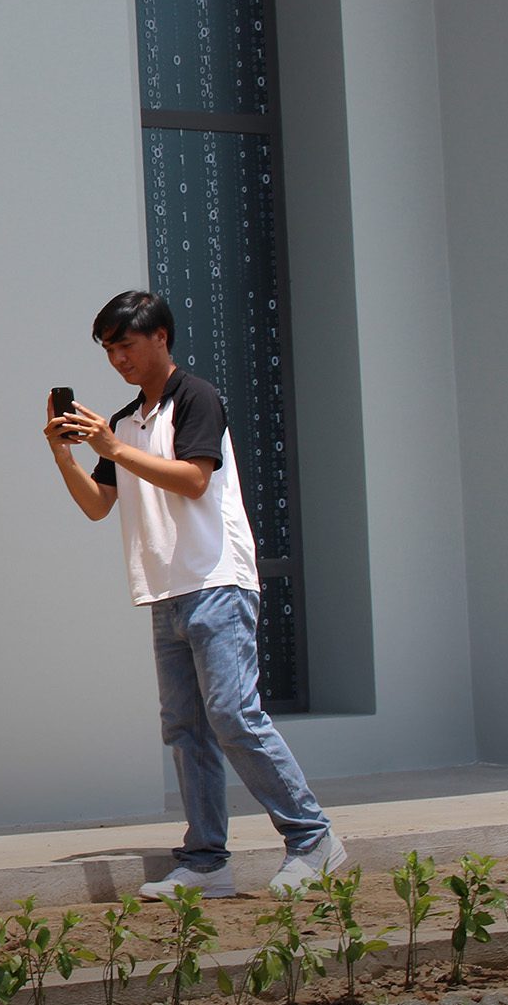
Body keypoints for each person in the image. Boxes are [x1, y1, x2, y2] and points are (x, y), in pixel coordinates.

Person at [46, 291, 343, 899]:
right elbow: (98, 507)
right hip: (165, 589)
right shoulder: (126, 422)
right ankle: (206, 861)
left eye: (125, 345)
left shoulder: (196, 397)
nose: (117, 359)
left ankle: (311, 836)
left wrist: (111, 448)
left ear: (160, 338)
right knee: (186, 728)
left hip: (218, 582)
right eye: (108, 350)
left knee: (234, 714)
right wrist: (63, 454)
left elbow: (194, 479)